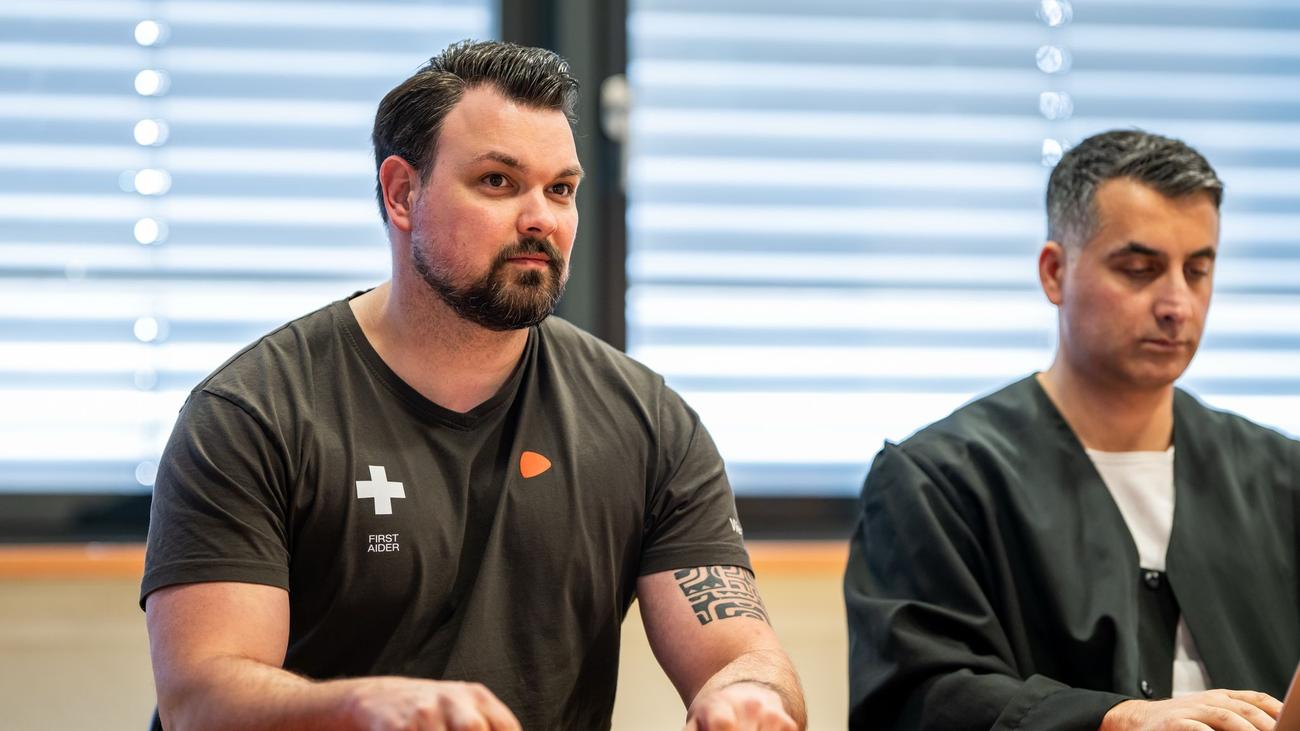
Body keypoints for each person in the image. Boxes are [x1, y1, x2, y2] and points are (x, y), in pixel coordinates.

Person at [141, 40, 805, 731]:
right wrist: (364, 705)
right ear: (402, 193)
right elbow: (200, 699)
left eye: (561, 189)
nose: (542, 218)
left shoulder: (648, 421)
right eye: (497, 181)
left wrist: (749, 696)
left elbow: (742, 653)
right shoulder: (253, 414)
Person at [844, 129, 1298, 731]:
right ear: (1055, 272)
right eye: (1139, 269)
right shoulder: (937, 483)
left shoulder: (1283, 476)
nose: (1177, 304)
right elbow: (916, 698)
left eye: (1197, 270)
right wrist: (1116, 719)